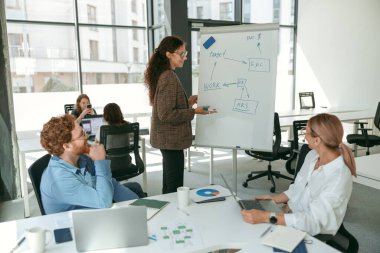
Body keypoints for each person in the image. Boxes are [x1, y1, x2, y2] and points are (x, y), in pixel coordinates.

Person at [241, 113, 356, 236]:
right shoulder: (312, 155)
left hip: (309, 232)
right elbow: (296, 188)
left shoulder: (338, 177)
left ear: (317, 140)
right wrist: (273, 199)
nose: (304, 137)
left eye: (306, 132)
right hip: (288, 216)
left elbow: (314, 221)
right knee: (243, 228)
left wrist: (267, 217)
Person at [144, 35, 215, 194]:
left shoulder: (165, 74)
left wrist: (188, 102)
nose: (185, 57)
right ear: (169, 54)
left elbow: (167, 107)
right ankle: (171, 216)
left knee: (169, 182)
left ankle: (167, 213)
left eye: (185, 53)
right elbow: (166, 114)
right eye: (181, 53)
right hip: (170, 141)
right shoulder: (168, 76)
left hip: (167, 140)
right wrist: (194, 111)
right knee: (174, 186)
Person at [39, 114, 144, 214]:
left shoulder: (82, 158)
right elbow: (104, 202)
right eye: (82, 135)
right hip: (77, 225)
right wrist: (100, 162)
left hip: (93, 208)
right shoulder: (59, 180)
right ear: (67, 146)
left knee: (135, 188)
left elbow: (112, 184)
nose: (86, 136)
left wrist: (138, 207)